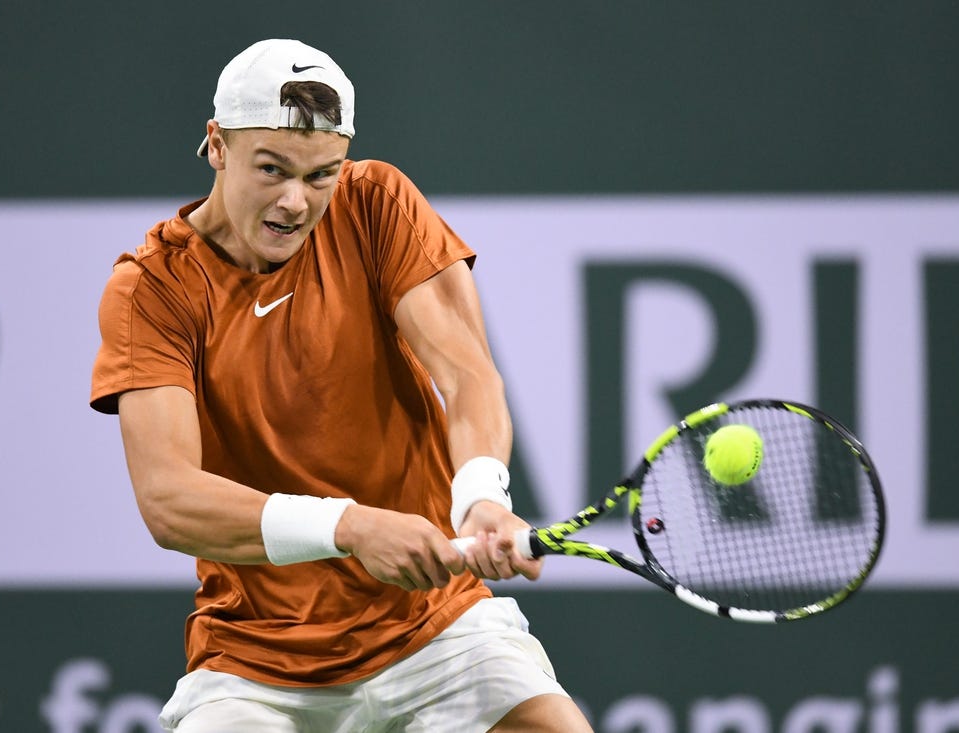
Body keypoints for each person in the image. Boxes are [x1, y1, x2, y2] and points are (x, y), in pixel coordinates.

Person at [90, 38, 593, 732]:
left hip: (437, 628)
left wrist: (480, 495)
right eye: (272, 169)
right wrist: (351, 526)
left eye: (322, 174)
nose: (296, 201)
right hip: (257, 664)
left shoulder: (377, 202)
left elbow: (466, 371)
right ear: (216, 145)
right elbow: (169, 499)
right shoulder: (152, 288)